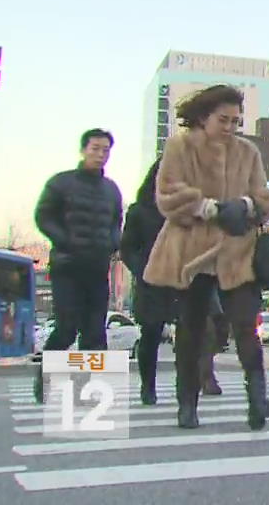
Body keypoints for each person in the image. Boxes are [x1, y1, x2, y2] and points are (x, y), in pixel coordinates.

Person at [143, 84, 269, 431]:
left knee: (247, 327)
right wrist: (208, 207)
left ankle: (257, 399)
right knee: (190, 331)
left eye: (236, 120)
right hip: (193, 252)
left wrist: (246, 205)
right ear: (204, 117)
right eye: (223, 119)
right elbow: (167, 194)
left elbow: (264, 196)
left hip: (237, 251)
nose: (230, 127)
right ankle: (187, 403)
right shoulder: (180, 146)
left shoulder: (247, 152)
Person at [32, 129, 124, 404]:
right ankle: (45, 379)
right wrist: (65, 241)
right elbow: (43, 216)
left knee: (95, 331)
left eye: (105, 150)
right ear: (83, 150)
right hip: (67, 266)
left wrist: (112, 243)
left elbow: (116, 222)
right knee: (66, 327)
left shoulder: (111, 189)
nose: (100, 154)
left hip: (97, 267)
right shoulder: (61, 183)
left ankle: (88, 389)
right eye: (95, 148)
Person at [120, 158, 178, 406]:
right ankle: (148, 386)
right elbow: (127, 248)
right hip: (150, 280)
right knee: (151, 333)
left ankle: (188, 389)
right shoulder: (138, 210)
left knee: (190, 334)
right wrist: (142, 269)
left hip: (180, 279)